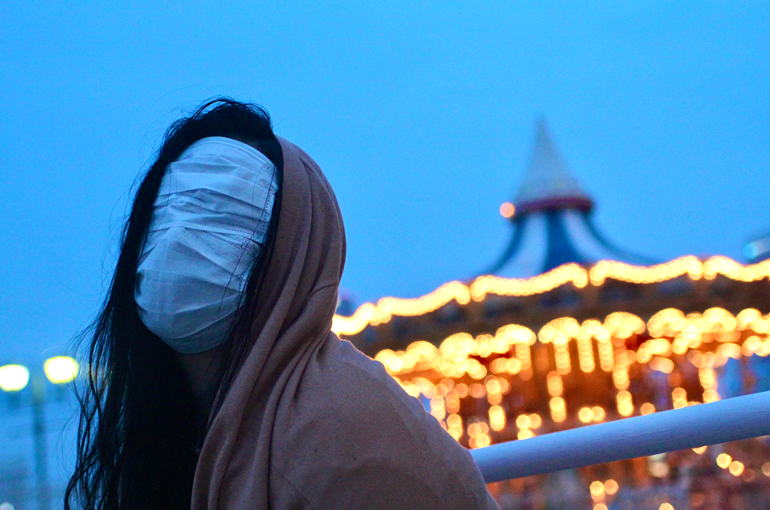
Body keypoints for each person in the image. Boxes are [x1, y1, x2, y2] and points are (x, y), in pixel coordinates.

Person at [66, 99, 499, 510]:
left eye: (222, 221)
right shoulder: (179, 425)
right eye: (174, 213)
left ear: (292, 256)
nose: (181, 242)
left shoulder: (342, 437)